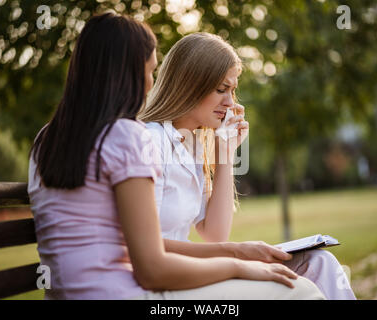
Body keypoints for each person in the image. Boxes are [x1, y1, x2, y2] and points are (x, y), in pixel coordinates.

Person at [27, 13, 324, 300]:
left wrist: (224, 155)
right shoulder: (128, 137)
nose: (150, 83)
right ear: (127, 74)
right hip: (132, 293)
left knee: (307, 273)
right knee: (303, 292)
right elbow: (152, 268)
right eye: (149, 71)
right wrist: (236, 261)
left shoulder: (46, 139)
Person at [139, 33, 356, 300]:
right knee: (299, 291)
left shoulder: (191, 148)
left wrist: (225, 153)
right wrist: (236, 253)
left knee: (320, 263)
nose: (230, 102)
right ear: (189, 85)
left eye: (232, 90)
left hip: (192, 269)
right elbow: (141, 250)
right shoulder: (151, 142)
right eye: (221, 89)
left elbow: (215, 233)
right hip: (165, 281)